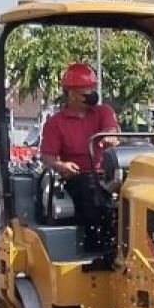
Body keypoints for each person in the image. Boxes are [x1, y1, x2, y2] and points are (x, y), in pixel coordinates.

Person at [39, 63, 119, 251]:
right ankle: (100, 245)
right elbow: (48, 157)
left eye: (93, 88)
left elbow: (110, 131)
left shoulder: (103, 112)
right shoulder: (55, 124)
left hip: (108, 173)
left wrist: (110, 137)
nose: (92, 93)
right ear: (72, 94)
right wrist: (61, 165)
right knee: (91, 190)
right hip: (79, 177)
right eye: (87, 90)